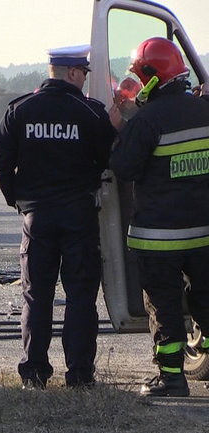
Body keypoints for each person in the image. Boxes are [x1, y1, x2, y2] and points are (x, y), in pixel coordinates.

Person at [0, 45, 115, 389]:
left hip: (37, 217)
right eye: (84, 75)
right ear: (74, 73)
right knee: (80, 297)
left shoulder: (20, 110)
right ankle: (79, 375)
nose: (85, 81)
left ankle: (33, 373)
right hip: (78, 216)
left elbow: (0, 165)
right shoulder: (89, 112)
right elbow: (110, 158)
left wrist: (21, 202)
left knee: (37, 295)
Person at [110, 37, 209, 397]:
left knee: (164, 305)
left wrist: (121, 127)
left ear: (151, 77)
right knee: (206, 298)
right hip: (204, 233)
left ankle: (171, 378)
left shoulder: (148, 120)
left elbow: (123, 168)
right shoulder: (204, 110)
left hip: (160, 236)